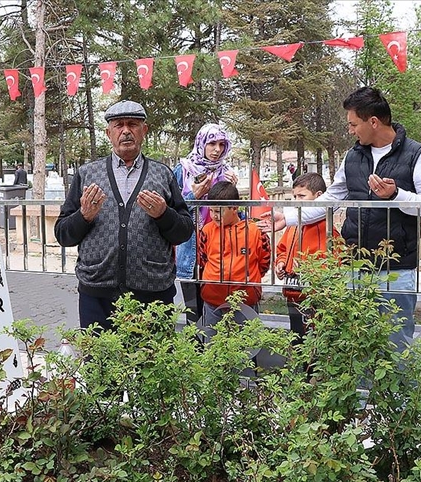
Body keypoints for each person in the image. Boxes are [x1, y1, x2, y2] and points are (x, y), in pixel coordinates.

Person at [261, 86, 421, 349]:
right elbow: (330, 201)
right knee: (353, 346)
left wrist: (396, 196)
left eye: (353, 124)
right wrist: (289, 217)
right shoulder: (352, 157)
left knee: (396, 345)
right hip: (352, 267)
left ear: (373, 121)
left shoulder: (417, 155)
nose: (350, 130)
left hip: (396, 269)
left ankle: (396, 392)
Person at [55, 100, 194, 331]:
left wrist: (163, 214)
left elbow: (184, 231)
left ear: (144, 131)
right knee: (99, 363)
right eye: (119, 125)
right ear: (109, 133)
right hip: (97, 294)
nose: (126, 131)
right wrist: (84, 216)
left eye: (133, 124)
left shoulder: (163, 175)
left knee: (153, 363)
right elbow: (63, 235)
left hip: (153, 294)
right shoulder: (87, 174)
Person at [174, 123, 238, 322]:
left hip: (218, 250)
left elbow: (236, 214)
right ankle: (196, 349)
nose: (217, 150)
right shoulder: (183, 170)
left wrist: (231, 190)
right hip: (190, 250)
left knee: (218, 311)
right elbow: (171, 210)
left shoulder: (226, 173)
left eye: (221, 144)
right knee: (194, 313)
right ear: (201, 143)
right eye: (211, 144)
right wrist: (194, 195)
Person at [274, 173, 339, 342]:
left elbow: (336, 263)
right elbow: (282, 249)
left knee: (315, 342)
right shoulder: (293, 225)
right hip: (293, 294)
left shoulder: (328, 230)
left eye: (301, 196)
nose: (296, 201)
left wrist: (309, 272)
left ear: (319, 197)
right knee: (297, 340)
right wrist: (281, 263)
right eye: (294, 196)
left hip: (314, 298)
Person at [197, 181, 271, 321]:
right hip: (212, 301)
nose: (214, 216)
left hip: (246, 301)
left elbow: (264, 262)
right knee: (211, 342)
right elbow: (203, 259)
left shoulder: (255, 231)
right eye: (211, 211)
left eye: (218, 211)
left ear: (235, 208)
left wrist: (248, 278)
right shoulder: (207, 230)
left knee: (245, 342)